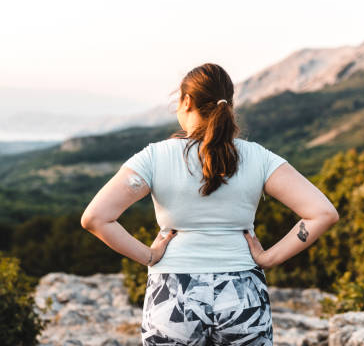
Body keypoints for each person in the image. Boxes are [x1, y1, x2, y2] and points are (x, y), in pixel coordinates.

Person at [80, 63, 339, 345]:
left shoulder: (155, 157)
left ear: (186, 101)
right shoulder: (258, 157)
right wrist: (269, 258)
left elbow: (95, 218)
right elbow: (322, 213)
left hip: (173, 292)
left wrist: (149, 255)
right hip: (242, 292)